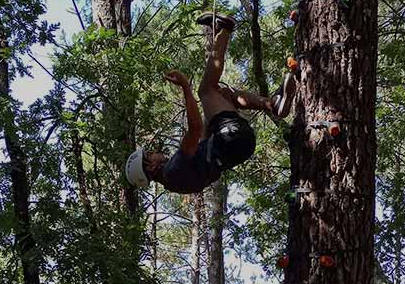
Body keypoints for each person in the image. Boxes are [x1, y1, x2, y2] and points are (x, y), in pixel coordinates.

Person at [125, 12, 297, 194]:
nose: (154, 152)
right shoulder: (174, 167)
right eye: (150, 154)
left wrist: (209, 115)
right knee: (205, 90)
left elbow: (204, 143)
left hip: (239, 147)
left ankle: (272, 104)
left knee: (223, 94)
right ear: (151, 167)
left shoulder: (176, 183)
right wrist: (185, 87)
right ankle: (225, 28)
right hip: (231, 138)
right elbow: (195, 128)